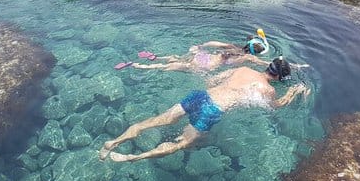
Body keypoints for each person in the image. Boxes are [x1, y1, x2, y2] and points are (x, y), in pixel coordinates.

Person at [100, 57, 309, 162]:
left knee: (157, 120)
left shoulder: (243, 69)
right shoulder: (267, 89)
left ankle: (113, 142)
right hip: (213, 110)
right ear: (279, 78)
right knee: (183, 143)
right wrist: (293, 93)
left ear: (268, 67)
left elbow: (212, 79)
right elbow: (275, 107)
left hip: (200, 95)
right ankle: (131, 158)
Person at [115, 28, 272, 72]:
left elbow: (214, 43)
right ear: (254, 52)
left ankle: (155, 57)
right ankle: (136, 65)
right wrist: (295, 66)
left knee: (178, 58)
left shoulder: (232, 47)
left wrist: (200, 46)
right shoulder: (247, 58)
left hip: (203, 56)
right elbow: (265, 63)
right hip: (206, 66)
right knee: (168, 68)